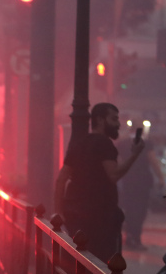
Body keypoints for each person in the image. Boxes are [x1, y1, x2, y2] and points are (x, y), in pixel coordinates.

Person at [54, 103, 144, 263]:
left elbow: (61, 179)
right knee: (102, 265)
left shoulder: (79, 143)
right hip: (99, 219)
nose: (118, 123)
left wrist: (59, 212)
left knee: (78, 263)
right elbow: (114, 175)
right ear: (101, 120)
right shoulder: (104, 144)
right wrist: (135, 155)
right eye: (114, 119)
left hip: (75, 216)